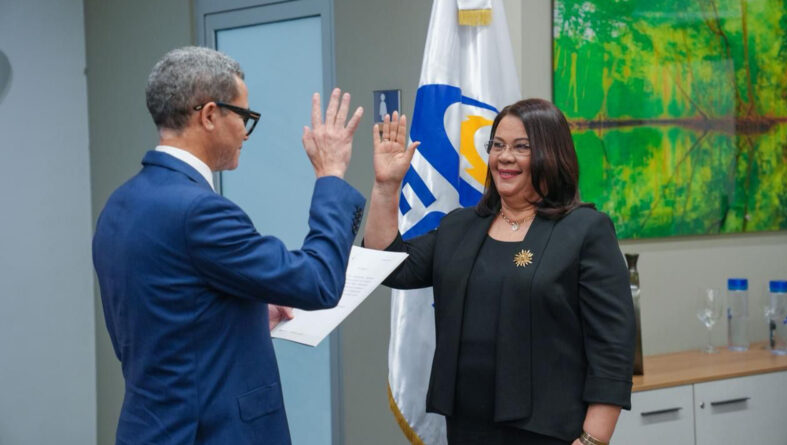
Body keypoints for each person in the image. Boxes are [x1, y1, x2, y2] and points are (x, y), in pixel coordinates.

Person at [92, 46, 365, 445]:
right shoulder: (199, 211)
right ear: (209, 115)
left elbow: (162, 316)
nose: (245, 133)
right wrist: (331, 175)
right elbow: (318, 281)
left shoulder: (119, 204)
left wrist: (243, 313)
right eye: (244, 117)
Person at [364, 99, 635, 445]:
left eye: (522, 147)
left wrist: (593, 439)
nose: (505, 157)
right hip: (466, 428)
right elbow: (389, 265)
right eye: (497, 145)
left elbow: (612, 346)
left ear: (552, 154)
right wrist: (386, 187)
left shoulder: (585, 230)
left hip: (550, 432)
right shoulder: (460, 226)